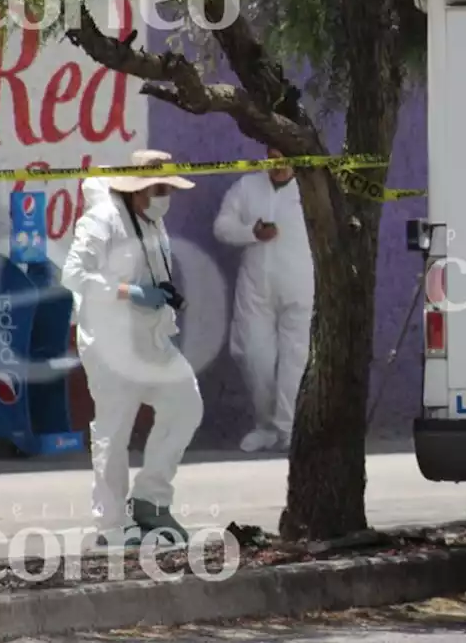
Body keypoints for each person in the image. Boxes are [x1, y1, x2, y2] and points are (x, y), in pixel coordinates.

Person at [62, 149, 203, 547]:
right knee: (114, 430)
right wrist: (130, 292)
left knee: (186, 405)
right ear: (137, 189)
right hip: (110, 345)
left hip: (153, 341)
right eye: (158, 188)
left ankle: (151, 501)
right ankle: (110, 525)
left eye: (168, 189)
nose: (164, 196)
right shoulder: (102, 220)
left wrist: (162, 294)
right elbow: (72, 274)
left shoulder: (154, 222)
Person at [214, 147, 314, 452]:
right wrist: (251, 232)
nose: (279, 164)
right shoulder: (247, 188)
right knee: (255, 356)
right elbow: (222, 227)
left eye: (286, 156)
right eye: (273, 156)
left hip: (300, 285)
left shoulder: (312, 188)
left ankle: (288, 429)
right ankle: (265, 425)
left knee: (295, 360)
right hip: (256, 288)